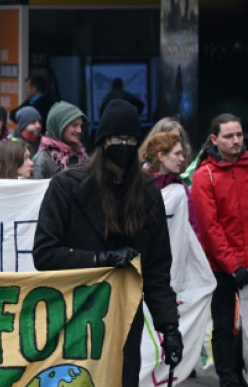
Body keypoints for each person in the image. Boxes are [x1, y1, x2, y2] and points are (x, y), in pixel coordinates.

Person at [33, 99, 182, 387]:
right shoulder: (66, 187)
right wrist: (98, 260)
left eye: (129, 140)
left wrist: (169, 327)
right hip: (75, 314)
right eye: (116, 139)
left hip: (125, 317)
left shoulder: (147, 193)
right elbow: (44, 253)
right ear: (102, 142)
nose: (123, 146)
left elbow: (157, 270)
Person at [191, 113, 248, 387]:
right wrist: (233, 265)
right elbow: (210, 228)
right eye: (229, 136)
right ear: (215, 139)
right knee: (224, 326)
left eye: (239, 134)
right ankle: (229, 379)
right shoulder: (204, 176)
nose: (236, 140)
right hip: (220, 266)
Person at [141, 132, 198, 238]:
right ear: (161, 156)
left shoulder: (180, 186)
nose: (182, 159)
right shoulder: (139, 186)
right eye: (177, 154)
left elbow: (193, 226)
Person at [31, 101, 87, 179]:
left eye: (80, 126)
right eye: (74, 125)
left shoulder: (82, 155)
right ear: (60, 126)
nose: (79, 130)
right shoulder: (42, 160)